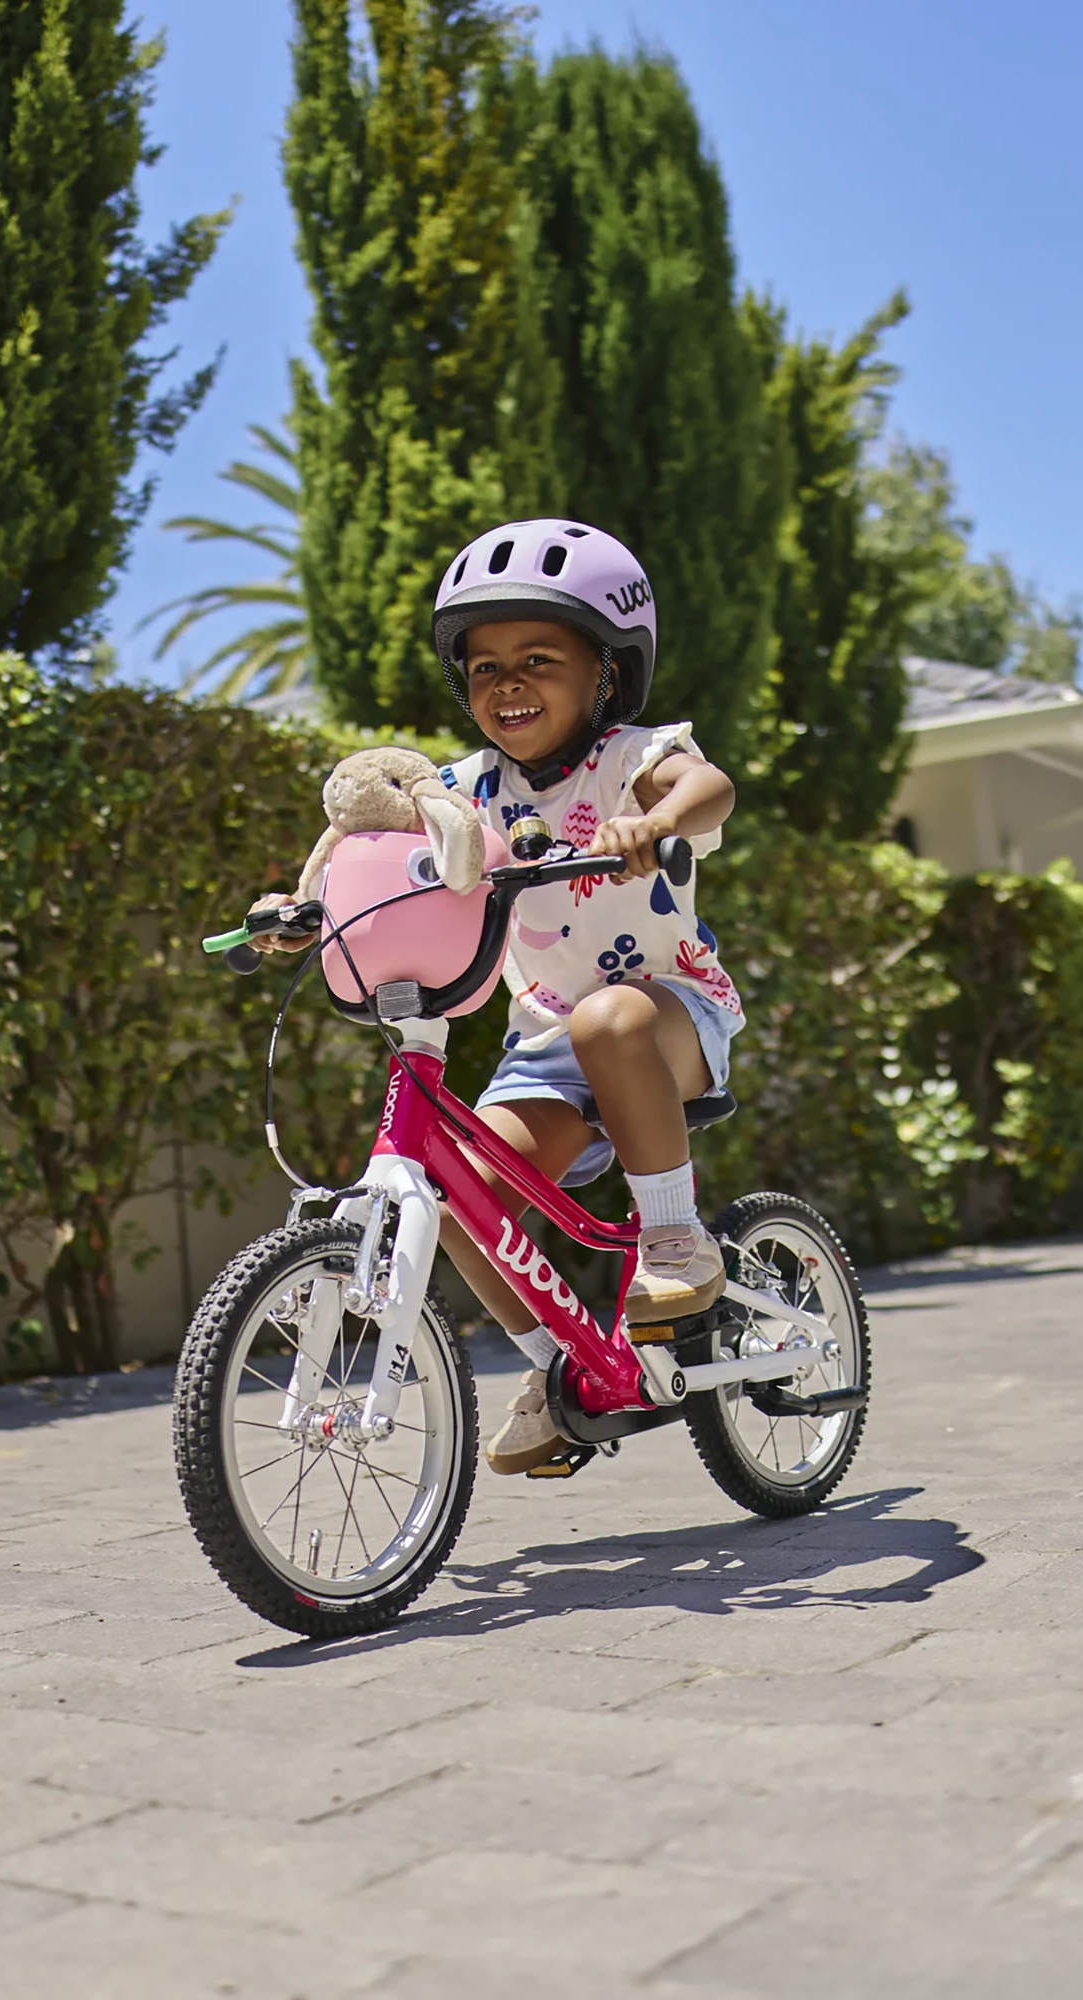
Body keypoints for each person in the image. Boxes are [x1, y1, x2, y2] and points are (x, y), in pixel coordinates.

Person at [266, 519, 742, 1476]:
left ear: (606, 670)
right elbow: (383, 845)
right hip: (546, 1044)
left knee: (611, 1017)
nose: (507, 683)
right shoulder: (465, 790)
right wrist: (301, 904)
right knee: (454, 1198)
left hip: (668, 1013)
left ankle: (679, 1239)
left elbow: (711, 787)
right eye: (484, 668)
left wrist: (652, 821)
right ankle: (560, 1367)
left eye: (538, 658)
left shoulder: (634, 755)